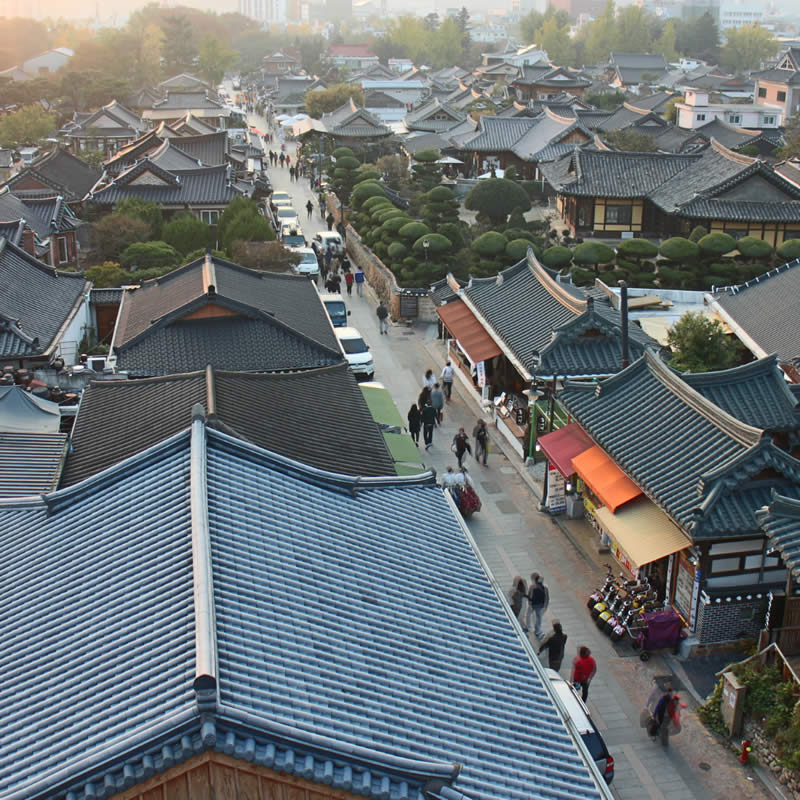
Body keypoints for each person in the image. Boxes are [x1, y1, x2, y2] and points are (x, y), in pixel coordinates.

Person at [525, 572, 549, 639]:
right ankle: (537, 630)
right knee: (539, 618)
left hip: (533, 604)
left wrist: (529, 603)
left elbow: (529, 595)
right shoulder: (545, 588)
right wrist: (545, 606)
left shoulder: (532, 587)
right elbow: (547, 598)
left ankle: (528, 626)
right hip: (540, 605)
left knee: (528, 614)